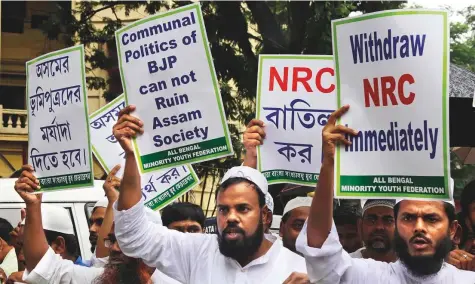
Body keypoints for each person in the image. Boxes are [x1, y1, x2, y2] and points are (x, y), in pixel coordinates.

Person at [111, 105, 306, 283]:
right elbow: (133, 236)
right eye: (223, 209)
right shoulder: (197, 252)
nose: (231, 217)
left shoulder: (298, 270)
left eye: (243, 209)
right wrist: (131, 156)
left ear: (265, 215)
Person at [295, 105, 475, 283]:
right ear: (396, 224)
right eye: (408, 218)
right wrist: (328, 165)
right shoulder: (369, 275)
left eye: (431, 219)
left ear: (453, 229)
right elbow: (320, 251)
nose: (419, 227)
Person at [14, 164, 160, 284]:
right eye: (113, 240)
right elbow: (44, 266)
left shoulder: (176, 278)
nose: (114, 248)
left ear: (150, 244)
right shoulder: (102, 279)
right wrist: (33, 205)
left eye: (125, 241)